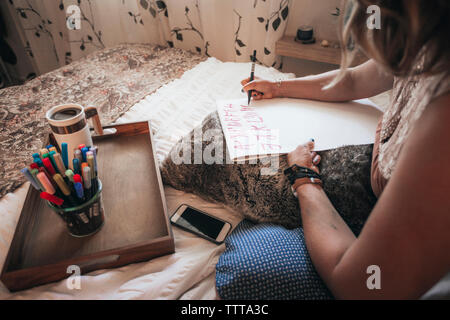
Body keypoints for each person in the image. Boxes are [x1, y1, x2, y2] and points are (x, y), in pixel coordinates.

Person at [218, 0, 450, 299]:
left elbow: (362, 285)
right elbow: (354, 81)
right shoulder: (425, 42)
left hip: (369, 269)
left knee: (253, 263)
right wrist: (280, 89)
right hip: (379, 188)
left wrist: (303, 178)